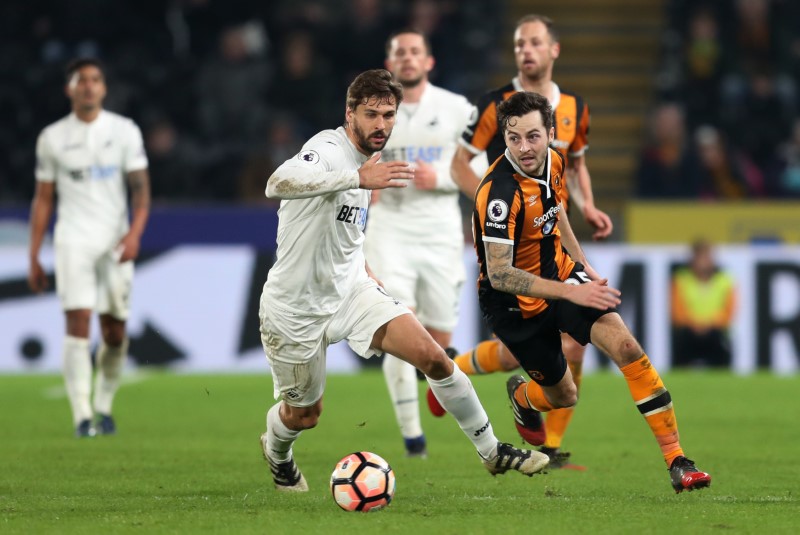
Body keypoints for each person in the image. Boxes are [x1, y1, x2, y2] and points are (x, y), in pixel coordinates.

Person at [258, 69, 548, 492]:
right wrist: (357, 178)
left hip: (351, 291)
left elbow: (344, 235)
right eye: (371, 114)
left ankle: (491, 451)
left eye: (388, 115)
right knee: (304, 415)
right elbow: (276, 183)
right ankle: (277, 452)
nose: (381, 125)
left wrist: (368, 277)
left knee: (433, 357)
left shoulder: (371, 162)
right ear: (349, 113)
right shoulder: (328, 149)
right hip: (294, 307)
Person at [473, 90, 711, 493]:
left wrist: (583, 268)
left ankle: (678, 461)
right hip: (514, 304)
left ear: (550, 132)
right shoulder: (498, 192)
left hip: (562, 275)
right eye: (514, 138)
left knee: (627, 347)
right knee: (564, 395)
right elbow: (499, 273)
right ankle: (524, 398)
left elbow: (557, 209)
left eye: (533, 136)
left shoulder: (554, 161)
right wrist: (570, 294)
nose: (524, 147)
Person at [428, 14, 613, 468]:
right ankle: (455, 371)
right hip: (510, 243)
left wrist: (587, 204)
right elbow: (458, 165)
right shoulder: (494, 105)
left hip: (554, 239)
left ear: (554, 49)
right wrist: (496, 214)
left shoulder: (575, 108)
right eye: (518, 44)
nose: (525, 51)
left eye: (534, 43)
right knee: (523, 353)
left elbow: (575, 165)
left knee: (572, 346)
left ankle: (550, 447)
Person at [362, 29, 475, 458]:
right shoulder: (373, 111)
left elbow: (479, 168)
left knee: (439, 342)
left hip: (440, 234)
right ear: (390, 63)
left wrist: (443, 177)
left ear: (428, 62)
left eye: (415, 52)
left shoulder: (456, 109)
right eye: (399, 53)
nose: (407, 59)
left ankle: (440, 378)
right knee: (399, 322)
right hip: (389, 230)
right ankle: (413, 438)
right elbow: (353, 160)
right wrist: (363, 185)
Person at [28, 58, 151, 437]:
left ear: (103, 88)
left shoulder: (124, 131)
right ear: (70, 89)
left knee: (114, 330)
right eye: (81, 80)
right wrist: (34, 253)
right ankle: (82, 415)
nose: (88, 86)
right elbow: (43, 198)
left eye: (95, 79)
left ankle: (104, 404)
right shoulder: (51, 138)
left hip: (114, 240)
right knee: (77, 322)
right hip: (72, 240)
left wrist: (134, 234)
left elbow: (141, 191)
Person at [671, 239, 736, 368]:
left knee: (722, 346)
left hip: (716, 332)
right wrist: (695, 324)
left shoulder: (724, 280)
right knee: (681, 344)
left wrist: (709, 324)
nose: (703, 262)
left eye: (706, 257)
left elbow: (729, 312)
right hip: (689, 331)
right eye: (700, 257)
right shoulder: (681, 279)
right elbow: (677, 312)